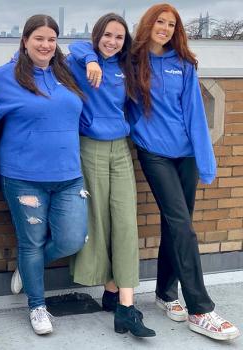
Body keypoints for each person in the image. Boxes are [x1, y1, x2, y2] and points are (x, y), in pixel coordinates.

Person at [83, 3, 240, 341]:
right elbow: (87, 46)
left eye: (171, 24)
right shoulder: (132, 59)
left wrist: (205, 160)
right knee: (183, 225)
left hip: (185, 156)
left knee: (177, 223)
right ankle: (201, 309)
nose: (165, 28)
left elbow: (196, 115)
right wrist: (91, 58)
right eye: (160, 22)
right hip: (153, 153)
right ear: (148, 24)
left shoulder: (183, 64)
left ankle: (166, 294)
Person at [0, 14, 88, 336]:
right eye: (38, 39)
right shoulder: (4, 78)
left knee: (72, 239)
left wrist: (93, 59)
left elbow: (92, 47)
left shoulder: (67, 73)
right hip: (23, 176)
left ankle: (30, 268)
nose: (45, 45)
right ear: (25, 41)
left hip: (69, 174)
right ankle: (37, 305)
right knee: (29, 242)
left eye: (51, 39)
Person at [66, 13, 156, 338]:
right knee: (99, 221)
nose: (112, 41)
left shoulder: (125, 68)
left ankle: (126, 308)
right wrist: (91, 58)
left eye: (119, 37)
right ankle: (110, 290)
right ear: (97, 35)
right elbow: (72, 46)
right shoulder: (80, 61)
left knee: (126, 223)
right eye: (107, 35)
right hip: (89, 147)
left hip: (120, 149)